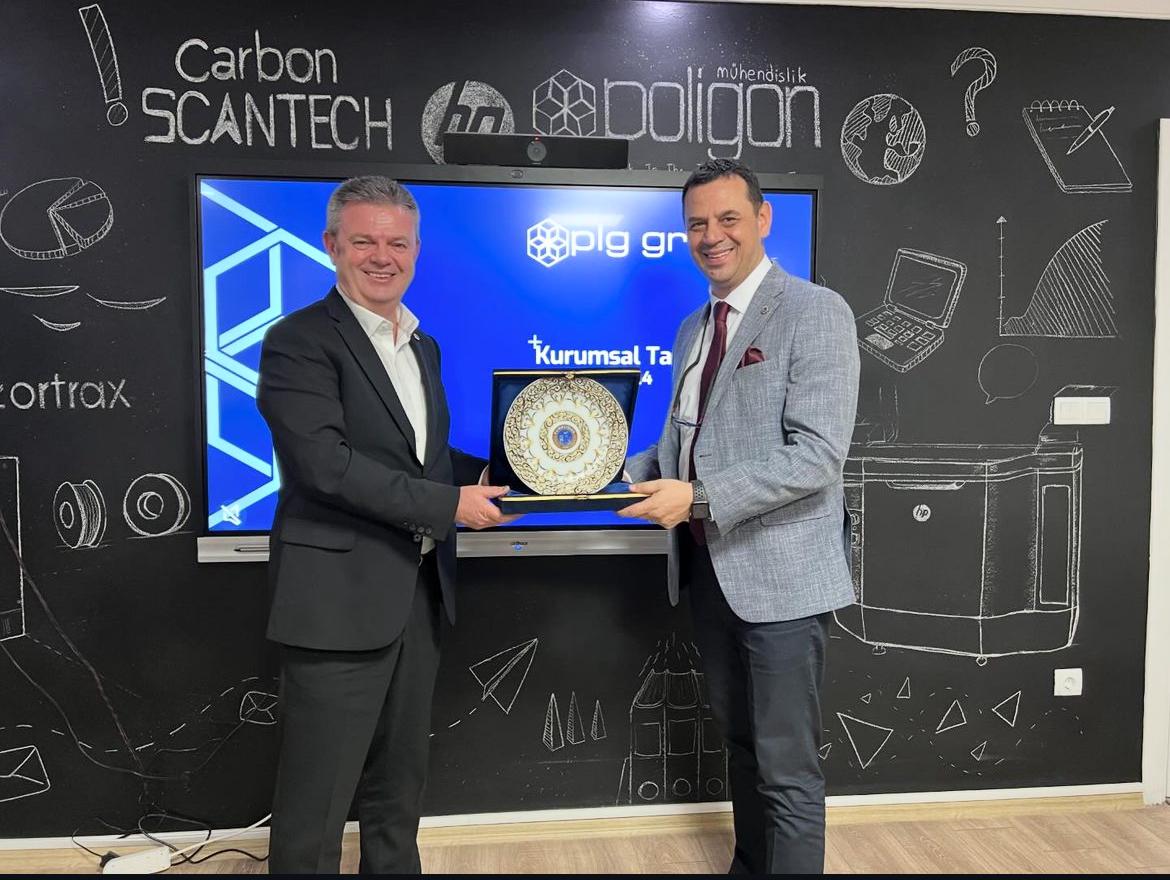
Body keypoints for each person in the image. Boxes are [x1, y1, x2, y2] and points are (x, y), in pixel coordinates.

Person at [257, 176, 513, 874]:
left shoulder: (421, 345)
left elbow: (425, 458)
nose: (382, 256)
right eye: (365, 240)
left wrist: (514, 473)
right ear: (332, 244)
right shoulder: (298, 341)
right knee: (314, 809)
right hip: (336, 604)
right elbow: (325, 466)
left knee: (398, 796)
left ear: (417, 250)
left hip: (418, 598)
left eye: (397, 243)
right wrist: (449, 506)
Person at [620, 158, 859, 874]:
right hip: (710, 576)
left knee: (787, 768)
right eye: (697, 224)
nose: (712, 236)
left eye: (728, 218)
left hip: (783, 580)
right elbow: (681, 444)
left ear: (763, 219)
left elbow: (816, 456)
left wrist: (696, 497)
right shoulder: (694, 328)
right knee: (744, 749)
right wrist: (593, 475)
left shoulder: (816, 311)